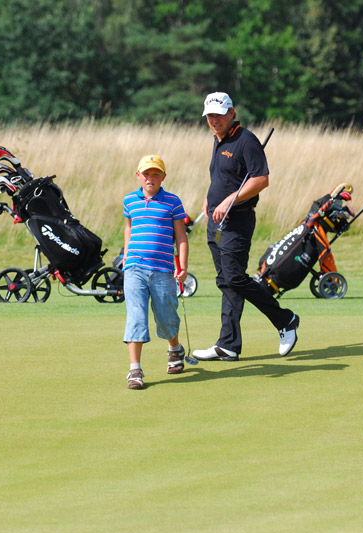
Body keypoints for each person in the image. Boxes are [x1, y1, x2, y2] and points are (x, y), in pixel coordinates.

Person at [193, 91, 299, 362]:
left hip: (237, 220)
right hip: (216, 221)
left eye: (219, 114)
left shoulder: (245, 140)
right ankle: (228, 344)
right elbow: (224, 176)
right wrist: (210, 198)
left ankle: (285, 320)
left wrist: (229, 199)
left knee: (236, 278)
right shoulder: (218, 141)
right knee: (225, 282)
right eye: (210, 116)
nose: (214, 120)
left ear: (232, 113)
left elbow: (261, 179)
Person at [122, 155, 189, 389]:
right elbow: (129, 228)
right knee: (136, 317)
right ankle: (135, 371)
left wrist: (183, 267)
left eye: (156, 174)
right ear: (138, 175)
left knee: (166, 318)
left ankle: (175, 349)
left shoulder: (173, 201)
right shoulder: (130, 200)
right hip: (134, 269)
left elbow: (181, 237)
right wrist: (126, 257)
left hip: (163, 269)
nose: (151, 178)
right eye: (146, 173)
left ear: (164, 177)